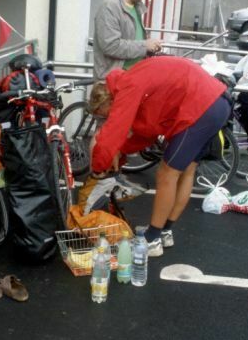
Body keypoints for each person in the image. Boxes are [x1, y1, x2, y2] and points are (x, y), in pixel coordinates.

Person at [88, 56, 230, 257]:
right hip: (217, 101)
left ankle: (152, 240)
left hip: (200, 106)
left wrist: (98, 169)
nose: (107, 117)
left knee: (166, 173)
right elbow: (148, 133)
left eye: (105, 113)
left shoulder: (128, 86)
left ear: (109, 99)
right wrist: (122, 152)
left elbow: (114, 130)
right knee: (187, 170)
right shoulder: (134, 80)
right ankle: (164, 232)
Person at [92, 0, 163, 80]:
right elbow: (111, 46)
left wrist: (150, 47)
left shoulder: (136, 6)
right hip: (112, 83)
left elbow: (133, 39)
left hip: (130, 79)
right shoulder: (109, 7)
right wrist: (145, 45)